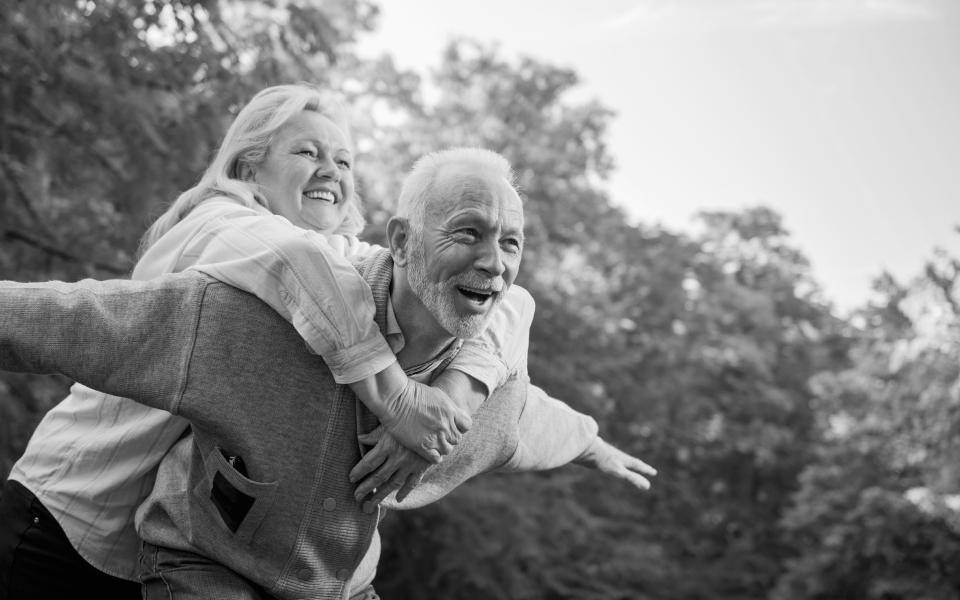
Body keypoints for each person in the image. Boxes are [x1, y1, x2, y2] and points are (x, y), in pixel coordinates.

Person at [0, 148, 656, 599]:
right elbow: (81, 320)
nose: (495, 262)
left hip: (335, 584)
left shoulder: (485, 387)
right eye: (468, 232)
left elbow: (536, 423)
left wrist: (593, 441)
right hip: (204, 563)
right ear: (401, 242)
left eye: (510, 241)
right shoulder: (258, 321)